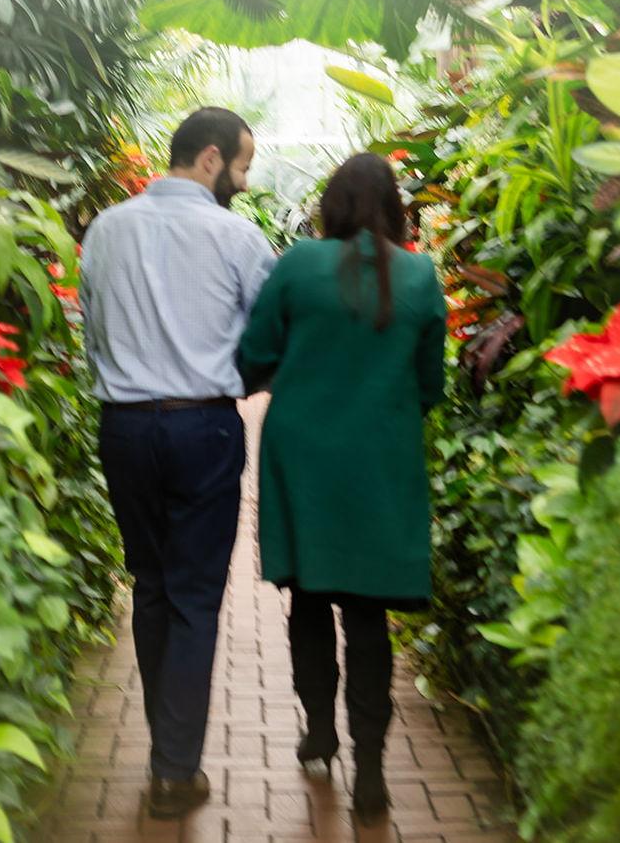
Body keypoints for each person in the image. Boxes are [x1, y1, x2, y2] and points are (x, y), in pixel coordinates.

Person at [237, 152, 447, 825]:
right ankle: (372, 771)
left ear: (329, 204)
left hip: (302, 455)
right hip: (380, 459)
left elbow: (254, 353)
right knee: (367, 616)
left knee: (309, 599)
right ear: (394, 208)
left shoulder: (299, 264)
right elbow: (431, 383)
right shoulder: (418, 274)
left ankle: (320, 733)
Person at [79, 107, 276, 819]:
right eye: (242, 167)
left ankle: (168, 752)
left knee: (154, 585)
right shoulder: (237, 236)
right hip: (203, 428)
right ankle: (173, 768)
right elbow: (269, 334)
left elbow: (92, 331)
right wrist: (241, 380)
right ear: (211, 158)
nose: (244, 182)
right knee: (194, 596)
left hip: (125, 428)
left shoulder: (106, 229)